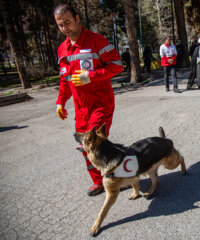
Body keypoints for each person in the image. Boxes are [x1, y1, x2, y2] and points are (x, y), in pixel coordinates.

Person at [54, 4, 123, 196]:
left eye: (67, 22)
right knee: (85, 147)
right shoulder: (62, 49)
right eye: (60, 25)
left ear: (77, 18)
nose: (65, 27)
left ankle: (114, 176)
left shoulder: (96, 41)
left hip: (100, 104)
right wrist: (60, 102)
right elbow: (64, 79)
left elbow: (117, 66)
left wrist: (91, 75)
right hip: (81, 109)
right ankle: (98, 181)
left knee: (94, 143)